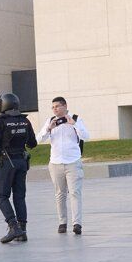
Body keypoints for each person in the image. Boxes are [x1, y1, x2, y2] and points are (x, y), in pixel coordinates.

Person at [0, 92, 37, 243]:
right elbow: (32, 143)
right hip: (22, 162)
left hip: (7, 163)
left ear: (4, 104)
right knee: (19, 196)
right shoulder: (25, 121)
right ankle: (23, 230)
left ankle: (13, 227)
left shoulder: (0, 121)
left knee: (1, 196)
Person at [43, 96, 90, 235]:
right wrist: (48, 128)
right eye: (52, 107)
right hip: (56, 163)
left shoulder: (75, 118)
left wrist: (73, 124)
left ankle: (77, 224)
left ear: (65, 106)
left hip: (73, 162)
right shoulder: (50, 121)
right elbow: (39, 138)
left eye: (57, 106)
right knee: (60, 194)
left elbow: (86, 136)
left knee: (75, 193)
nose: (54, 109)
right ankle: (62, 222)